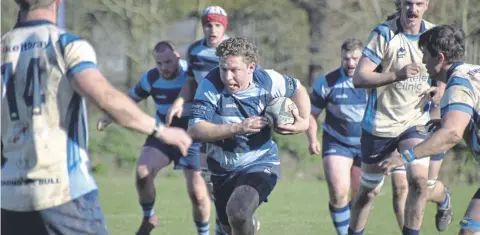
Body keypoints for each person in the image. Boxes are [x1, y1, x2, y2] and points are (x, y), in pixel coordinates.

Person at [1, 1, 192, 235]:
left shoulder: (3, 47)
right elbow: (103, 96)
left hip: (9, 197)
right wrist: (161, 130)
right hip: (62, 193)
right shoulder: (65, 44)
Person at [347, 0, 452, 234]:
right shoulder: (384, 34)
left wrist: (441, 90)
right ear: (400, 4)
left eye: (419, 3)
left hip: (415, 122)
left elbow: (445, 74)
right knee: (368, 192)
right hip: (380, 124)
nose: (413, 9)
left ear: (428, 5)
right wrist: (397, 75)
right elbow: (359, 78)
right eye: (408, 3)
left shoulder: (434, 35)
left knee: (418, 183)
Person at [188, 37, 310, 235]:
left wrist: (304, 121)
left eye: (234, 70)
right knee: (231, 226)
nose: (227, 77)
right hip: (221, 167)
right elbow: (195, 131)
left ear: (251, 67)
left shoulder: (268, 80)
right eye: (223, 69)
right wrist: (238, 128)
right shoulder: (209, 85)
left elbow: (298, 88)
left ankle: (246, 221)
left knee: (238, 212)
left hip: (261, 162)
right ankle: (250, 225)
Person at [96, 41, 211, 235]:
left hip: (192, 137)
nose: (164, 68)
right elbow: (131, 98)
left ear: (178, 56)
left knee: (198, 194)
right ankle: (149, 217)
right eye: (159, 63)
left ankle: (204, 233)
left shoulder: (190, 75)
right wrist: (110, 115)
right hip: (164, 134)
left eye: (168, 62)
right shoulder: (150, 78)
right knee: (143, 172)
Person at [380, 23, 479, 235]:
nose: (423, 61)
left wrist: (405, 157)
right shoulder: (473, 73)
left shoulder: (458, 84)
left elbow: (451, 134)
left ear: (440, 58)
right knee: (470, 231)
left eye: (425, 55)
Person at [383, 2, 452, 231]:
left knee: (425, 186)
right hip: (393, 124)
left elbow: (444, 76)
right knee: (401, 188)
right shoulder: (385, 41)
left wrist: (439, 91)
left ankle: (443, 198)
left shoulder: (432, 40)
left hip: (425, 125)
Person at [166, 5, 230, 235]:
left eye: (217, 25)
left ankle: (229, 224)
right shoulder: (194, 51)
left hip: (227, 123)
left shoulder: (234, 50)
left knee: (222, 181)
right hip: (200, 122)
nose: (212, 29)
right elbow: (190, 83)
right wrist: (179, 102)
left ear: (224, 27)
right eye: (208, 25)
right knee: (200, 184)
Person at [306, 38, 366, 235]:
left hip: (366, 146)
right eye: (346, 58)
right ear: (341, 58)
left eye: (355, 59)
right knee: (339, 193)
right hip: (336, 143)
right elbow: (312, 115)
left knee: (361, 198)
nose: (350, 63)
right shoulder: (327, 83)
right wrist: (313, 138)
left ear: (363, 58)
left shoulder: (373, 82)